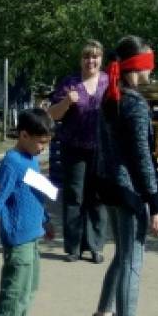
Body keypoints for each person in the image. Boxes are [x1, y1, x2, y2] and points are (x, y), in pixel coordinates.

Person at [88, 37, 158, 316]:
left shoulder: (111, 98)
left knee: (122, 254)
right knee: (133, 260)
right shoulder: (134, 105)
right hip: (128, 192)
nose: (151, 71)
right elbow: (142, 158)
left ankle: (104, 314)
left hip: (108, 185)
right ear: (137, 65)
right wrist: (155, 204)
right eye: (148, 64)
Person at [0, 108, 56, 316]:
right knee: (14, 289)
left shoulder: (30, 159)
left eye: (46, 143)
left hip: (32, 234)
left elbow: (35, 193)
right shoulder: (12, 162)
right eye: (41, 142)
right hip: (18, 236)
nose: (43, 148)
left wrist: (45, 220)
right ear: (24, 135)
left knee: (29, 287)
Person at [47, 40, 109, 264]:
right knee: (75, 196)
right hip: (73, 148)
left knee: (97, 197)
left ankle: (95, 246)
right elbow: (52, 114)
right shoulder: (70, 83)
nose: (90, 61)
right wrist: (66, 102)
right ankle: (73, 247)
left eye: (95, 56)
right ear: (81, 59)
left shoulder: (109, 82)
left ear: (101, 59)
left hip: (102, 149)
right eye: (86, 56)